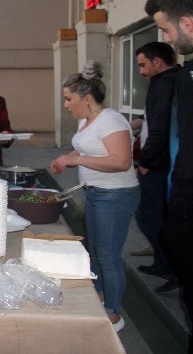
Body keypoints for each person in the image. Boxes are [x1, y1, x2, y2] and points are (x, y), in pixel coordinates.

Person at [50, 60, 140, 332]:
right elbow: (90, 154)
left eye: (69, 99)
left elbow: (121, 161)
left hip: (115, 196)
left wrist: (77, 161)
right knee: (96, 251)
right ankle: (100, 298)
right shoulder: (86, 120)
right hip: (96, 194)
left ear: (86, 98)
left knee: (108, 256)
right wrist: (68, 158)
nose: (66, 105)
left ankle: (113, 315)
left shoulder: (110, 120)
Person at [145, 0, 193, 349]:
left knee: (171, 235)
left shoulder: (179, 79)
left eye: (166, 28)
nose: (166, 37)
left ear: (187, 24)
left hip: (186, 195)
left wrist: (179, 205)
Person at [132, 41, 179, 293]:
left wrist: (146, 163)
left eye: (142, 65)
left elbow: (160, 129)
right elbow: (152, 119)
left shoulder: (165, 84)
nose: (140, 71)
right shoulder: (167, 83)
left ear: (157, 62)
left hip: (159, 165)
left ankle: (173, 268)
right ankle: (162, 264)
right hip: (162, 162)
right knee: (155, 217)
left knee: (150, 216)